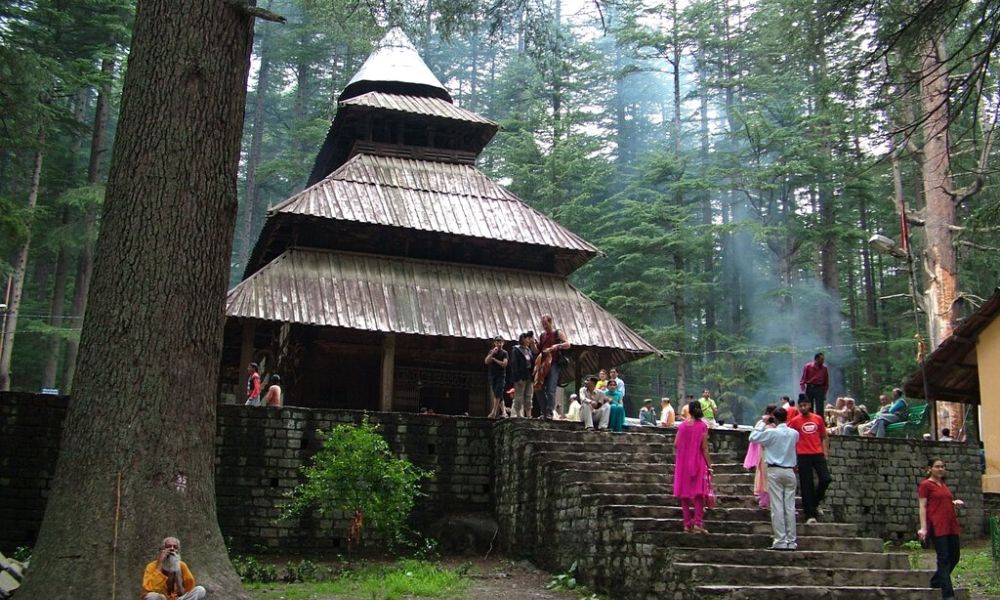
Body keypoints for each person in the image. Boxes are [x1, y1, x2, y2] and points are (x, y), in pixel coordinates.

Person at [749, 408, 800, 550]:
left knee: (777, 506)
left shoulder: (771, 433)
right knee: (789, 507)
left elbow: (753, 437)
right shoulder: (794, 434)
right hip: (790, 471)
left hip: (775, 470)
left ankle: (780, 540)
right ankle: (791, 541)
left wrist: (762, 423)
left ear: (774, 419)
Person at [918, 458, 964, 600]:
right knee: (943, 558)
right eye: (937, 466)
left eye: (942, 466)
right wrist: (923, 528)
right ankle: (948, 595)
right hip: (937, 526)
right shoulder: (926, 485)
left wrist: (953, 502)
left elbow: (941, 501)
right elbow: (923, 507)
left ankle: (936, 580)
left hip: (951, 524)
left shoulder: (943, 485)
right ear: (930, 468)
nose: (940, 469)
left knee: (954, 557)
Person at [788, 398, 831, 524]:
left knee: (825, 479)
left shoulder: (817, 418)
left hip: (818, 453)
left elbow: (824, 436)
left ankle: (814, 503)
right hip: (803, 455)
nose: (803, 408)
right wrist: (793, 459)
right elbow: (790, 440)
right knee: (806, 485)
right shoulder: (795, 421)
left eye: (805, 405)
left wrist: (825, 452)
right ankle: (809, 514)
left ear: (810, 405)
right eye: (800, 406)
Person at [673, 401, 713, 534]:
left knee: (684, 494)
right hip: (697, 462)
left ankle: (686, 524)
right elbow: (705, 448)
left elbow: (676, 444)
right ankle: (698, 523)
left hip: (683, 464)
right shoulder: (702, 426)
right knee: (698, 494)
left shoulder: (682, 426)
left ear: (689, 411)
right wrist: (710, 465)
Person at [141, 537, 207, 600]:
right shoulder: (151, 566)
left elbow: (185, 592)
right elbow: (151, 589)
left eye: (175, 547)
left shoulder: (182, 565)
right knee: (151, 596)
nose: (172, 549)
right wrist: (160, 562)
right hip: (161, 598)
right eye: (168, 546)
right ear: (162, 550)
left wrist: (178, 573)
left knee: (200, 590)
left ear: (178, 551)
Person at [533, 315, 570, 419]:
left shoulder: (557, 333)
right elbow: (537, 350)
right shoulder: (542, 335)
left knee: (550, 389)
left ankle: (549, 412)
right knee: (538, 387)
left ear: (551, 322)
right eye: (543, 324)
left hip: (554, 363)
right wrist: (533, 344)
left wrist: (557, 346)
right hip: (543, 364)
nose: (544, 326)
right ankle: (544, 411)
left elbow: (568, 344)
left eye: (546, 324)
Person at [744, 405, 777, 509]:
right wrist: (764, 422)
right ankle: (765, 499)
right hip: (763, 451)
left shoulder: (776, 423)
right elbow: (754, 437)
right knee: (764, 474)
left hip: (774, 452)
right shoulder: (761, 422)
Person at [509, 332, 535, 418]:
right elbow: (514, 364)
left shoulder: (528, 350)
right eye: (527, 338)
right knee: (519, 396)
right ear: (523, 339)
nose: (529, 340)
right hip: (520, 376)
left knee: (529, 395)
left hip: (529, 376)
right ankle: (518, 413)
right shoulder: (516, 350)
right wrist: (517, 378)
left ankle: (529, 414)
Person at [799, 352, 829, 420]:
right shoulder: (808, 366)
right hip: (810, 388)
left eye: (823, 359)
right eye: (821, 359)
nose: (823, 361)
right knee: (809, 407)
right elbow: (803, 378)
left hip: (819, 388)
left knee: (820, 408)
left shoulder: (824, 368)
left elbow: (826, 382)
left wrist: (824, 393)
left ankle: (820, 423)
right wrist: (802, 389)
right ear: (816, 359)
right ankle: (809, 421)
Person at [485, 336, 509, 419]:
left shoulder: (505, 353)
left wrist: (494, 360)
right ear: (494, 343)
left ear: (503, 343)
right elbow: (486, 361)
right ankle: (504, 412)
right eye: (497, 342)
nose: (499, 344)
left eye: (500, 342)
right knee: (498, 394)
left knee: (498, 392)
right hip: (492, 375)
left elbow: (504, 364)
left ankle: (494, 412)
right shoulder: (491, 351)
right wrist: (492, 354)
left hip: (501, 376)